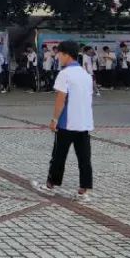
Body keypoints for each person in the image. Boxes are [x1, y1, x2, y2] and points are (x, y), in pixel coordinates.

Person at [33, 41, 95, 202]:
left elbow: (61, 99)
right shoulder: (85, 74)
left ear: (66, 54)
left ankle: (50, 185)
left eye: (59, 54)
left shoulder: (64, 74)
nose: (58, 57)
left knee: (59, 155)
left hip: (67, 123)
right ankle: (84, 190)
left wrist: (54, 119)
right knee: (84, 158)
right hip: (84, 123)